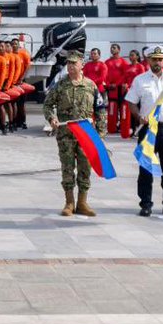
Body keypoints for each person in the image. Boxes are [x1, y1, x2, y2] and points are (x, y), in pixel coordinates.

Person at [124, 46, 163, 217]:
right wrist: (138, 117)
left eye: (160, 59)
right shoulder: (140, 80)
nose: (157, 62)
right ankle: (145, 204)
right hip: (149, 129)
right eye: (154, 59)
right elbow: (131, 102)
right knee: (146, 169)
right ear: (148, 61)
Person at [43, 51, 99, 217]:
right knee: (67, 168)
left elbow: (100, 109)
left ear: (82, 64)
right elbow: (47, 105)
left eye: (74, 63)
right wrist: (52, 118)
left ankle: (82, 202)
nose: (70, 66)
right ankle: (69, 202)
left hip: (86, 135)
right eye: (68, 63)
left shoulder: (90, 85)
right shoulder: (60, 85)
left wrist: (100, 135)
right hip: (66, 135)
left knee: (85, 168)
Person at [82, 48, 108, 135]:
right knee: (88, 109)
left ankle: (101, 129)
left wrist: (91, 83)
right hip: (87, 91)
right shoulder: (87, 65)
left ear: (99, 55)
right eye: (92, 54)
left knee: (100, 111)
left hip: (99, 91)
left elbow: (102, 78)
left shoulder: (102, 65)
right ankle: (90, 127)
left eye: (95, 54)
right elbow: (83, 75)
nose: (93, 55)